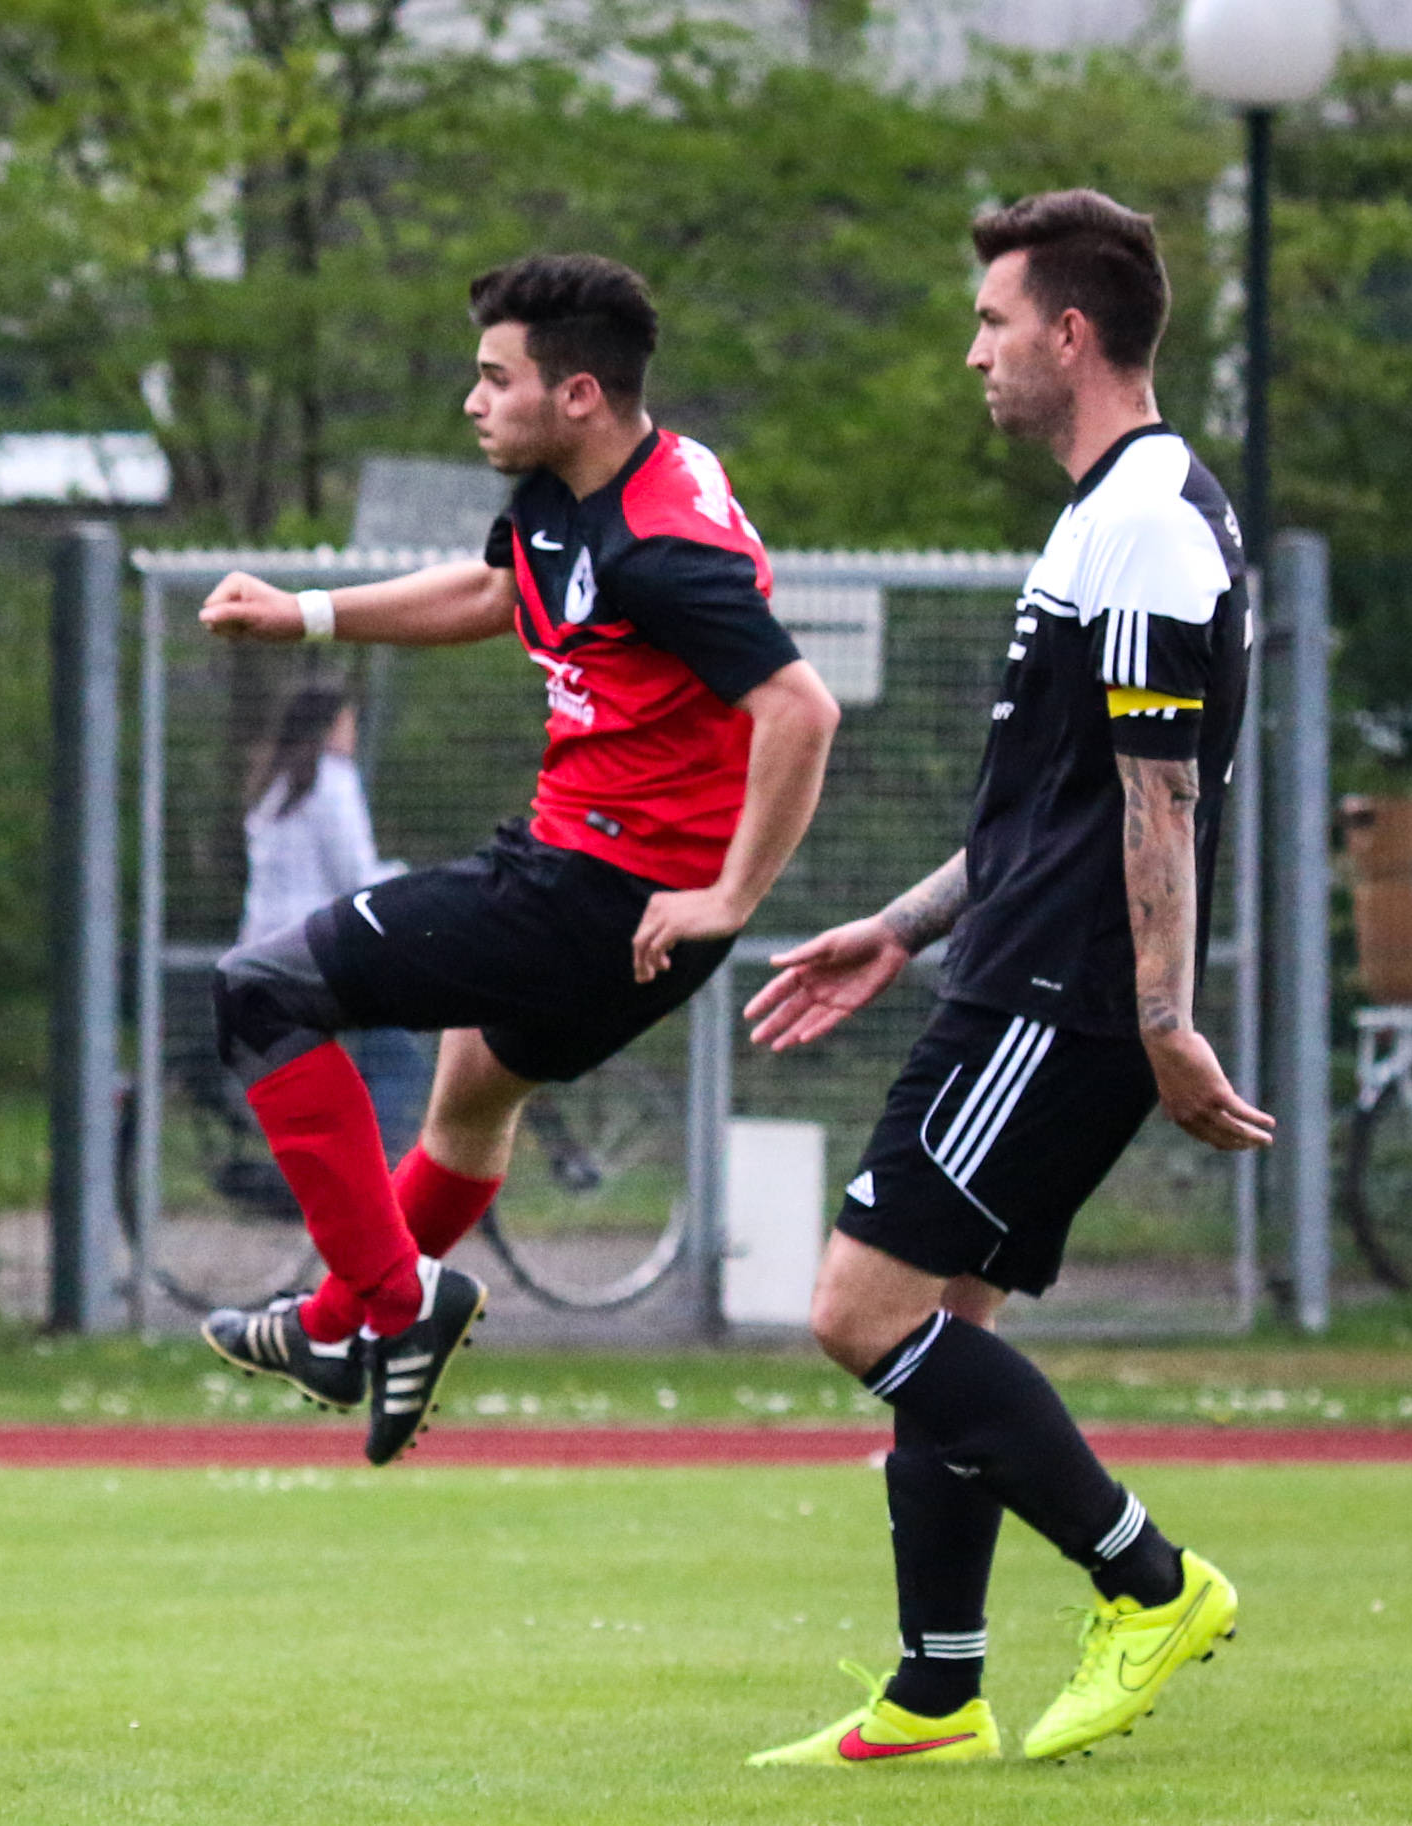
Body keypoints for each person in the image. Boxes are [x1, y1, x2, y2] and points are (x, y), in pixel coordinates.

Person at [742, 190, 1267, 1768]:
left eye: (990, 321)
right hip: (1028, 971)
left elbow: (1158, 798)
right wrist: (898, 926)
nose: (972, 352)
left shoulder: (1146, 520)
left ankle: (1148, 1581)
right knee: (943, 1323)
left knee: (857, 1309)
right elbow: (1057, 806)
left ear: (1069, 333)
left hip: (1056, 995)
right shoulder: (1106, 510)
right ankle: (934, 1691)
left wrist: (1160, 1019)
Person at [196, 253, 841, 1466]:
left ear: (578, 393)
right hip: (601, 890)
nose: (473, 400)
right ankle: (337, 1328)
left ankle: (393, 1306)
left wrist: (730, 896)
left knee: (258, 992)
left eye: (497, 378)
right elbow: (494, 592)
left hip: (596, 898)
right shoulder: (577, 486)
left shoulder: (663, 546)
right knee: (470, 1098)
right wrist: (306, 611)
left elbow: (801, 710)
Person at [236, 683, 426, 1159]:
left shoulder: (274, 783)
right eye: (348, 721)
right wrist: (406, 880)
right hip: (322, 953)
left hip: (265, 952)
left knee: (320, 1076)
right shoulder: (333, 780)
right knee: (398, 1062)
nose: (352, 733)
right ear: (329, 726)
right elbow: (356, 879)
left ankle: (327, 1165)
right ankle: (374, 1172)